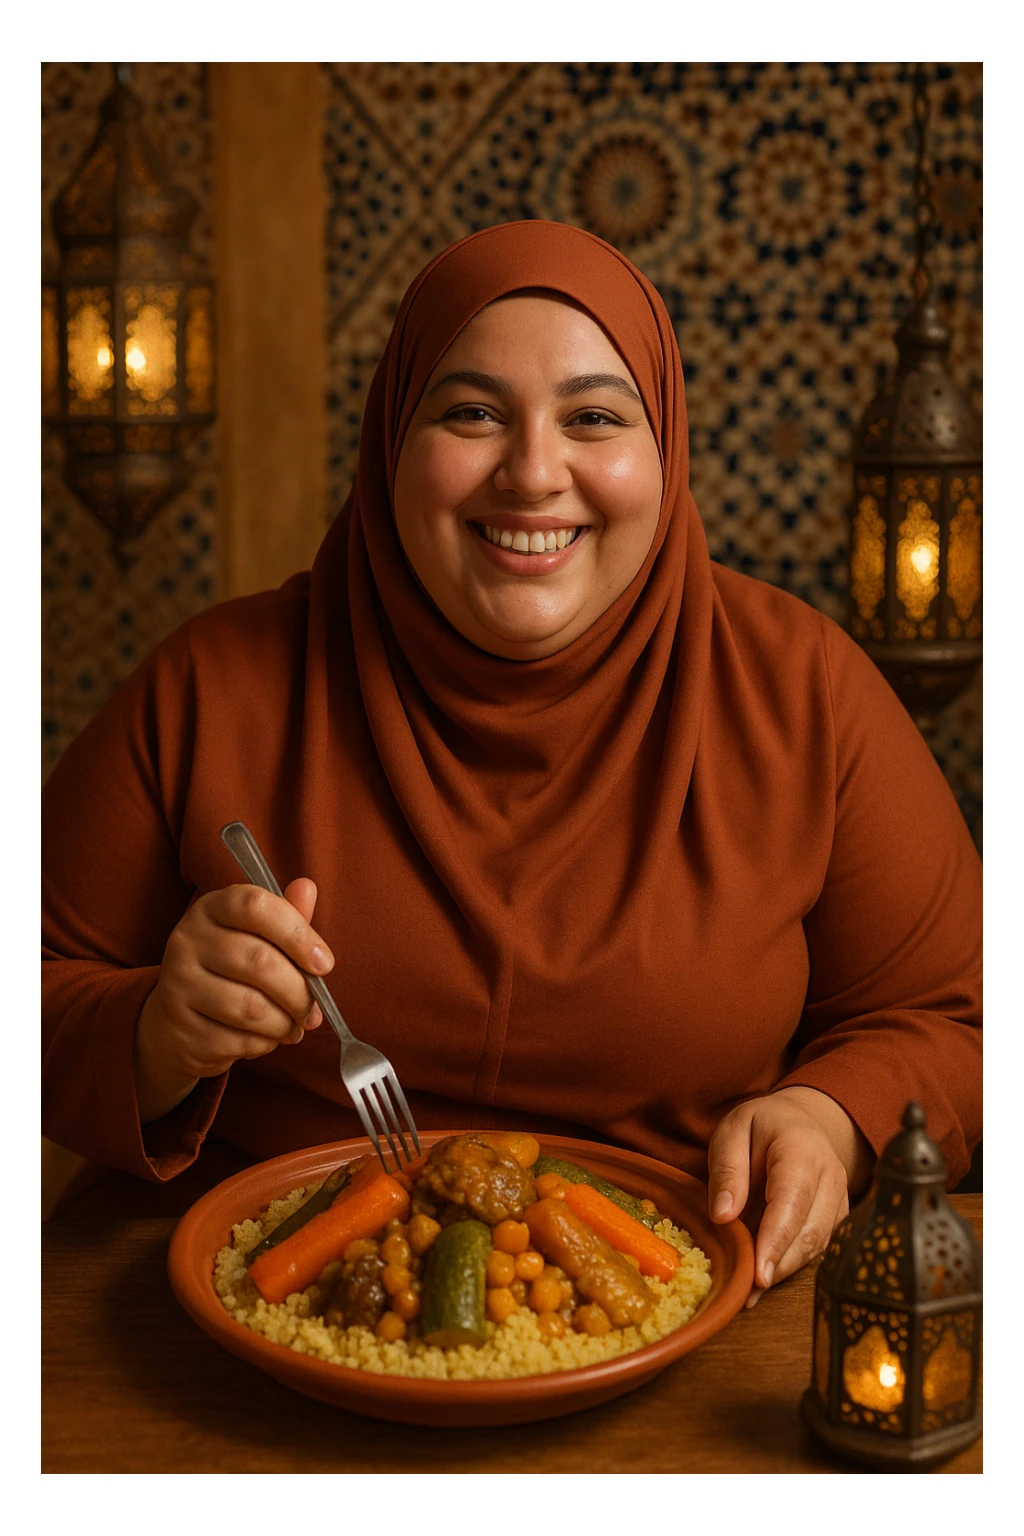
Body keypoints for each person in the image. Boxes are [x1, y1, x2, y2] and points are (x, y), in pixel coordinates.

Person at [42, 219, 981, 1302]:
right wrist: (157, 1034)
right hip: (251, 1319)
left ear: (665, 449)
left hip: (686, 1314)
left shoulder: (805, 691)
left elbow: (957, 1013)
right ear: (391, 438)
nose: (533, 473)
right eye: (472, 413)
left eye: (594, 418)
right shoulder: (207, 686)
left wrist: (834, 1115)